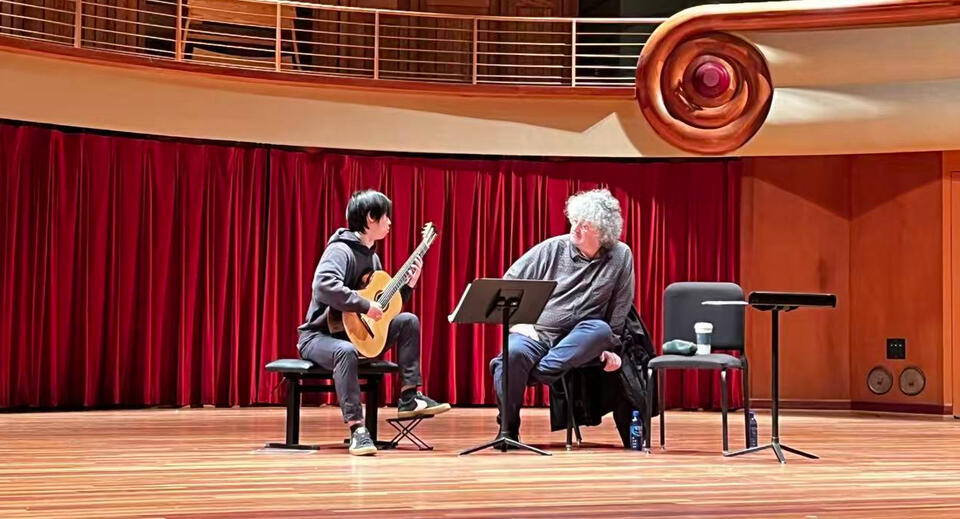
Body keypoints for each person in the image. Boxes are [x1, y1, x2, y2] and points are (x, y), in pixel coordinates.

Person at [298, 190, 450, 456]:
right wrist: (366, 305)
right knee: (344, 352)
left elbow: (384, 309)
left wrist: (407, 289)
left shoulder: (373, 257)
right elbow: (323, 286)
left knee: (408, 321)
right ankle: (357, 429)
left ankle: (408, 396)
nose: (390, 222)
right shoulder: (340, 250)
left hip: (356, 335)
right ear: (370, 218)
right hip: (320, 337)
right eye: (386, 216)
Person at [491, 188, 635, 440]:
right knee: (511, 354)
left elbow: (620, 308)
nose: (575, 228)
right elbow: (509, 283)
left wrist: (611, 346)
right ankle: (508, 429)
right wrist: (518, 322)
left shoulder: (621, 256)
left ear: (603, 232)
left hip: (581, 339)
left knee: (600, 330)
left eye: (585, 224)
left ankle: (534, 373)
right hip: (538, 334)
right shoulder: (552, 249)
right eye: (574, 220)